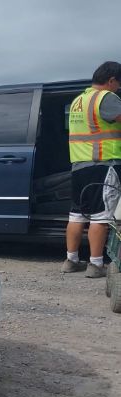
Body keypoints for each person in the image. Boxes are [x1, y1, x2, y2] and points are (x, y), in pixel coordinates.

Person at [63, 61, 121, 277]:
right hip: (102, 163)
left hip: (79, 164)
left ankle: (71, 260)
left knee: (77, 215)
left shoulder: (79, 100)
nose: (118, 89)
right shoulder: (106, 98)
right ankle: (96, 265)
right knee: (100, 216)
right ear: (111, 80)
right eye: (118, 84)